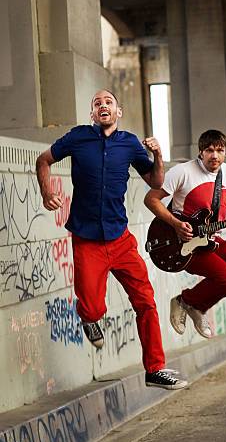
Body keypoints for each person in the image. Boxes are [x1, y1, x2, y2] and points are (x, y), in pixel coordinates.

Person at [36, 89, 186, 390]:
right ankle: (89, 318)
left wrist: (158, 154)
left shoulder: (130, 143)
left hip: (120, 239)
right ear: (92, 114)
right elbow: (43, 160)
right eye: (97, 103)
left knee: (146, 302)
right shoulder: (78, 138)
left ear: (119, 112)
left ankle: (155, 368)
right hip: (87, 240)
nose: (103, 106)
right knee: (92, 308)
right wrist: (46, 190)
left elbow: (156, 183)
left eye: (108, 102)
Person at [144, 130, 226, 338]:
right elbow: (151, 199)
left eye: (220, 150)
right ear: (200, 152)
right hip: (182, 242)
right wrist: (176, 223)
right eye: (209, 150)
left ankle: (196, 307)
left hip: (211, 239)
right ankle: (186, 301)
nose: (214, 156)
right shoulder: (183, 172)